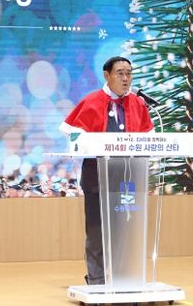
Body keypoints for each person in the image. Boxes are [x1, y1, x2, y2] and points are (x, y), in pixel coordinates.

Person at [59, 56, 154, 285]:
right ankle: (97, 279)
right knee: (96, 231)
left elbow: (149, 139)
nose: (125, 78)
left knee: (124, 230)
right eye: (120, 73)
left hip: (127, 177)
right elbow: (73, 135)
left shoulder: (138, 104)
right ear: (107, 75)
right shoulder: (91, 101)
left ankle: (123, 277)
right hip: (97, 177)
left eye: (129, 73)